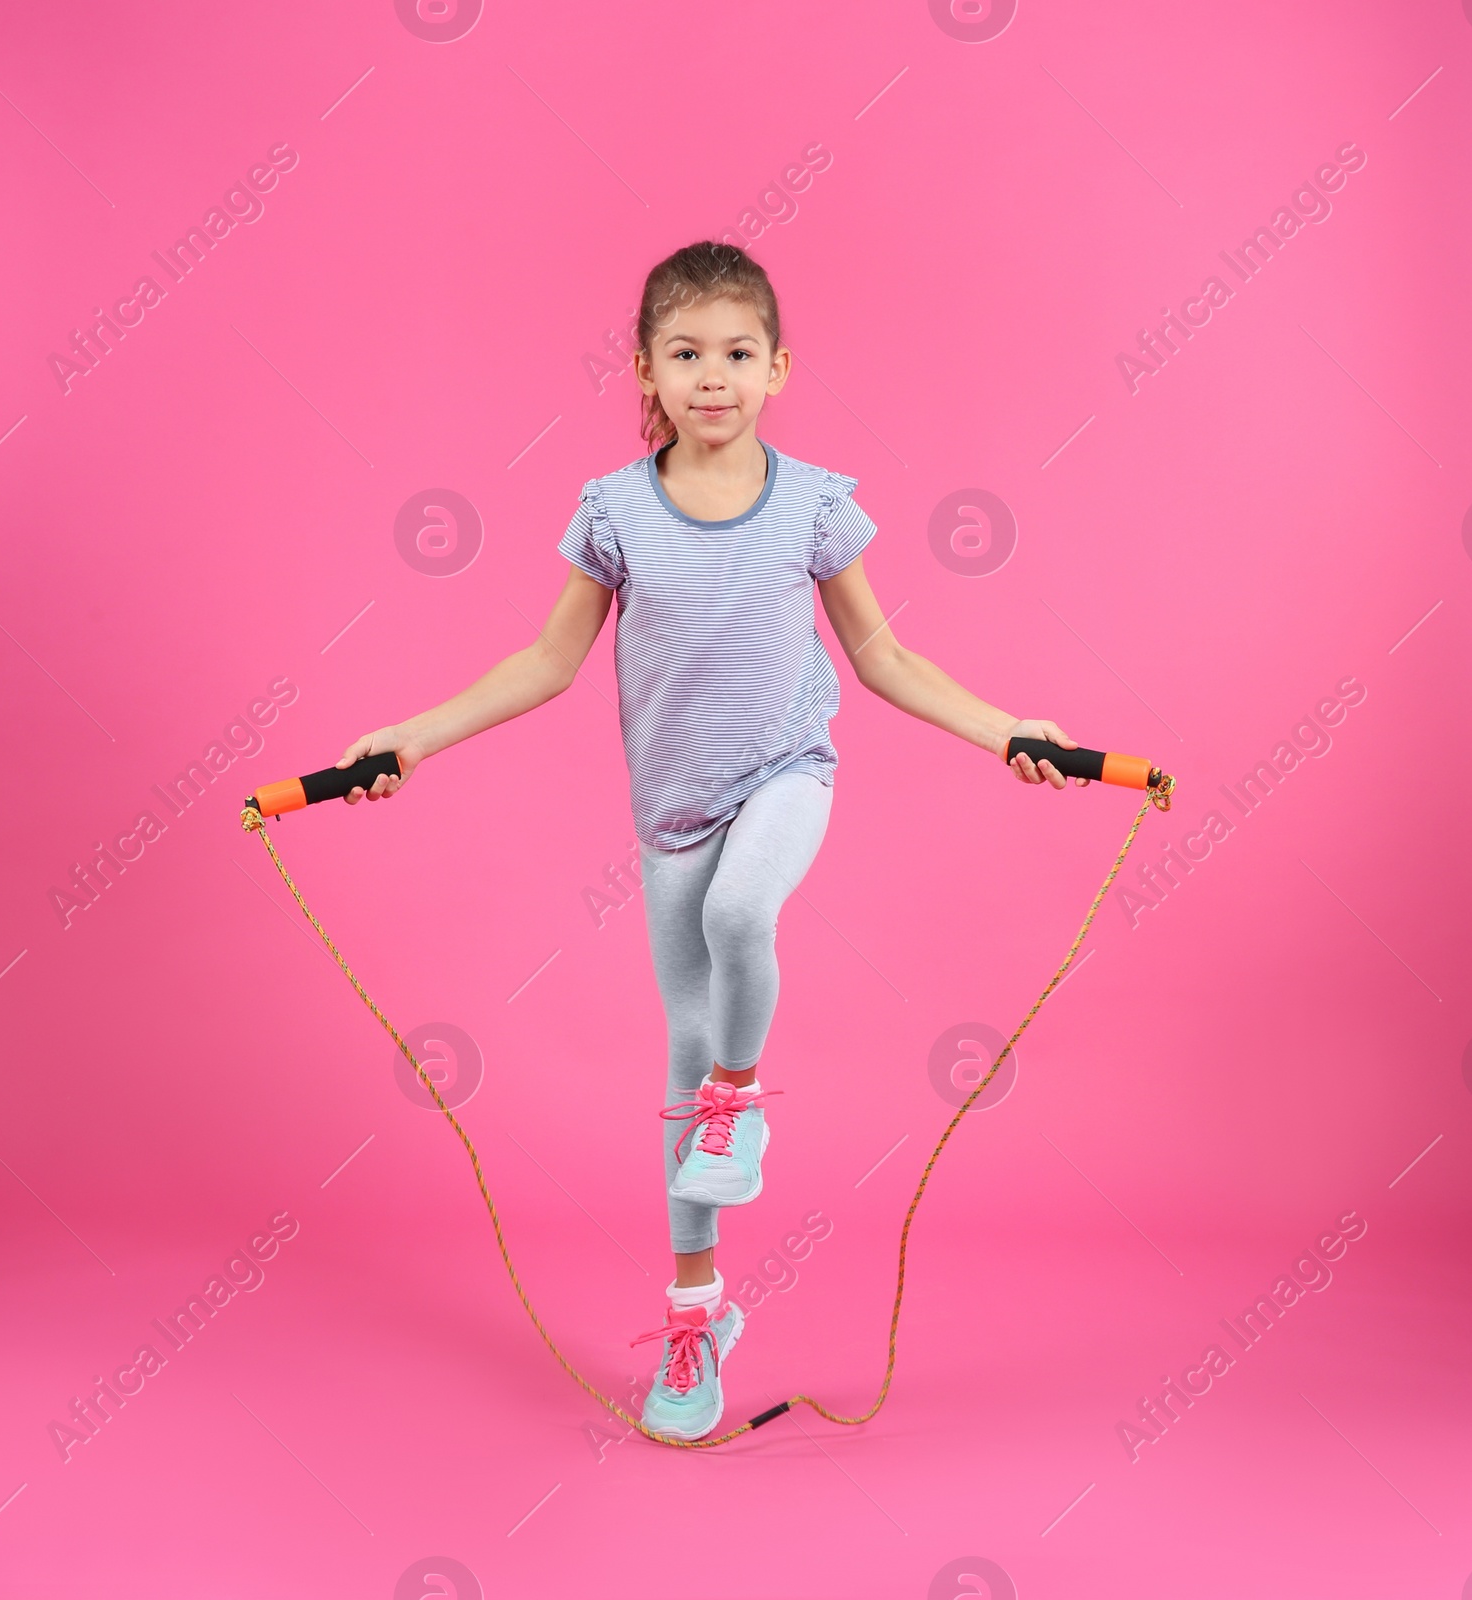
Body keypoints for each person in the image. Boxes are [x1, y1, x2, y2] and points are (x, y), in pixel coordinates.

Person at [335, 240, 1089, 1441]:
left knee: (744, 928)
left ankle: (742, 1092)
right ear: (644, 367)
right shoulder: (614, 511)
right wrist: (413, 736)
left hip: (788, 772)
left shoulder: (814, 503)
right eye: (685, 354)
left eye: (738, 352)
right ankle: (696, 1323)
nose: (713, 376)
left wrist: (1008, 728)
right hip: (672, 816)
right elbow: (544, 661)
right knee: (681, 1080)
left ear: (778, 366)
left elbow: (883, 656)